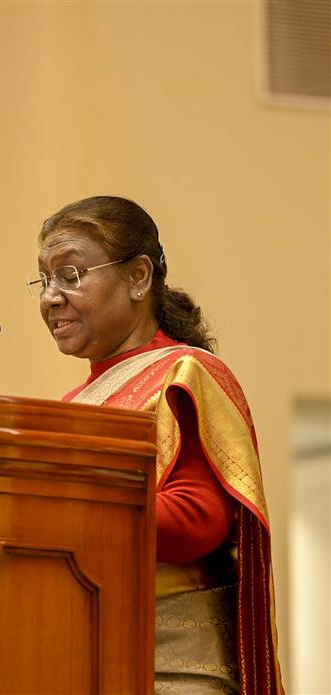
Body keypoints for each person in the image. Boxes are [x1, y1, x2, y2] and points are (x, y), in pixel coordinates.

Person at [30, 196, 283, 695]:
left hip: (169, 667)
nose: (51, 297)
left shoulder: (184, 374)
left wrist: (64, 497)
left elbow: (197, 521)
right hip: (81, 655)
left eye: (71, 275)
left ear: (139, 277)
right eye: (44, 280)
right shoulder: (75, 403)